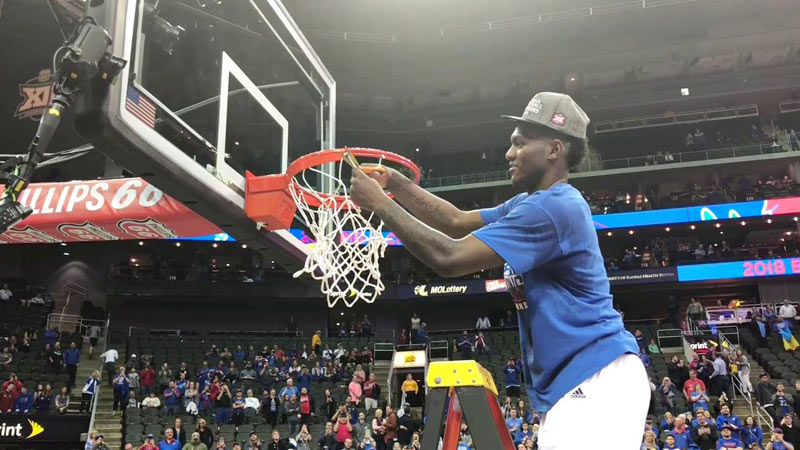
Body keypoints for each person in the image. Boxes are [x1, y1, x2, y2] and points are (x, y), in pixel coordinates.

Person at [349, 91, 646, 449]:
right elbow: (455, 221)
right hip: (581, 379)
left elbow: (450, 257)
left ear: (554, 150)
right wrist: (395, 184)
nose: (509, 153)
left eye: (520, 144)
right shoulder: (531, 203)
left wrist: (379, 203)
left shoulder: (553, 208)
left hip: (596, 376)